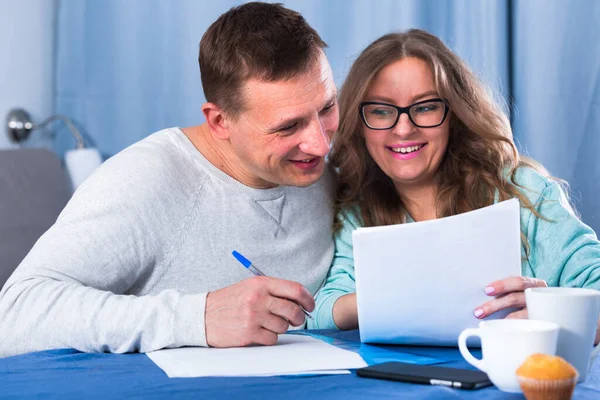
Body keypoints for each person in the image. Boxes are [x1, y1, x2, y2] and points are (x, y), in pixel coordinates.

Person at [0, 2, 339, 358]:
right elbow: (14, 316)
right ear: (220, 121)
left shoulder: (325, 167)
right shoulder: (147, 180)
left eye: (328, 107)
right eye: (288, 126)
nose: (321, 143)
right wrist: (198, 317)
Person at [308, 29, 600, 334]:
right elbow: (325, 310)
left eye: (425, 107)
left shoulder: (522, 191)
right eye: (381, 111)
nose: (404, 129)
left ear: (454, 113)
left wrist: (550, 308)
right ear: (359, 124)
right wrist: (415, 296)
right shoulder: (357, 212)